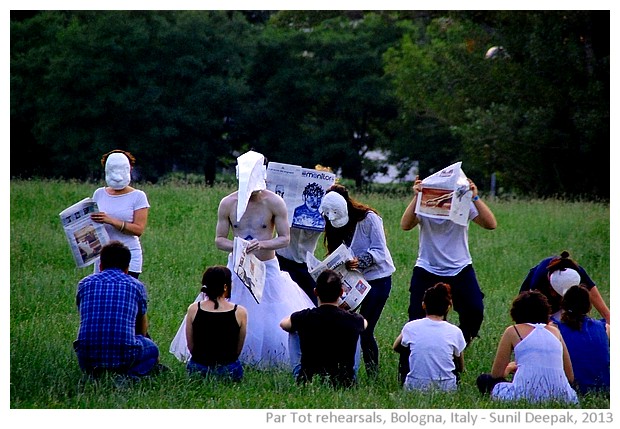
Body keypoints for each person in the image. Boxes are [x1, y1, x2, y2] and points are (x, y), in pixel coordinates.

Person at [214, 150, 315, 369]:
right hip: (238, 269)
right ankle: (231, 354)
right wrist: (238, 247)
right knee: (234, 308)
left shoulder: (274, 202)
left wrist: (263, 244)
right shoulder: (228, 203)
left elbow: (285, 239)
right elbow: (220, 240)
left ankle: (274, 359)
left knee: (270, 312)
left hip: (266, 267)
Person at [398, 174, 496, 383]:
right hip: (427, 267)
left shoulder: (463, 201)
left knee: (474, 311)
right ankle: (407, 369)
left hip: (460, 267)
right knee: (416, 317)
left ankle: (453, 349)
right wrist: (417, 197)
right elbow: (405, 225)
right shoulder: (425, 203)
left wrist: (475, 197)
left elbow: (491, 224)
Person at [319, 184, 395, 378]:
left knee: (365, 328)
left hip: (378, 278)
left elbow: (380, 250)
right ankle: (342, 370)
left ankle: (372, 374)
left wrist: (360, 261)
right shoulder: (331, 218)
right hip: (352, 281)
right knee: (342, 325)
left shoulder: (369, 218)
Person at [73, 241, 160, 378]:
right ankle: (129, 376)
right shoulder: (136, 286)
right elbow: (142, 327)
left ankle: (96, 374)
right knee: (152, 349)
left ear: (100, 266)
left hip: (86, 358)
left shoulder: (84, 284)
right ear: (127, 269)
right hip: (124, 357)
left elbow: (83, 315)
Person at [476, 290, 578, 404]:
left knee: (485, 380)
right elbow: (570, 376)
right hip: (562, 396)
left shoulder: (513, 331)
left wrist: (510, 368)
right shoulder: (555, 332)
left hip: (524, 394)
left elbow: (496, 375)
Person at [280, 269, 367, 388]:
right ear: (341, 292)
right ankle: (351, 374)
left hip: (309, 378)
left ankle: (298, 375)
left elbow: (283, 324)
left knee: (293, 329)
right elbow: (365, 323)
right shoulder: (353, 319)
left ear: (315, 292)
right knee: (356, 330)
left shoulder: (305, 316)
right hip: (343, 380)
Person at [276, 165, 334, 306]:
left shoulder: (326, 214)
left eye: (318, 197)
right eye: (310, 197)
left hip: (305, 265)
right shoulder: (290, 209)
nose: (314, 202)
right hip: (281, 260)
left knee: (312, 303)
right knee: (282, 303)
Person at [393, 282, 466, 392]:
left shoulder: (411, 327)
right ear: (448, 307)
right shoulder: (455, 331)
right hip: (447, 388)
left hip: (414, 387)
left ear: (423, 305)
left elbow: (396, 347)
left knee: (406, 347)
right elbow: (460, 367)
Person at [90, 149, 150, 278]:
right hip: (103, 257)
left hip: (128, 257)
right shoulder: (99, 193)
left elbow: (138, 229)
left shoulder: (138, 196)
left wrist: (111, 221)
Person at [185, 266, 248, 382]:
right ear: (225, 287)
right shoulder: (240, 312)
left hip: (198, 367)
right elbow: (239, 347)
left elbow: (190, 345)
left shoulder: (194, 309)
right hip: (229, 369)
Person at [519, 251, 610, 324]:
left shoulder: (577, 272)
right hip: (533, 306)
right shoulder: (538, 281)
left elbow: (597, 299)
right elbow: (537, 315)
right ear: (550, 287)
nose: (555, 295)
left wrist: (609, 319)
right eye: (555, 292)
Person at [551, 285, 610, 395]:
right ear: (589, 307)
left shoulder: (554, 329)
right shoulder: (605, 328)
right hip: (604, 387)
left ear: (563, 304)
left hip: (573, 388)